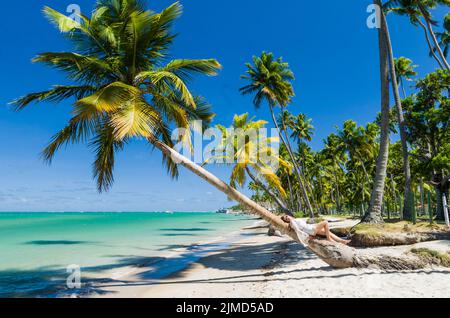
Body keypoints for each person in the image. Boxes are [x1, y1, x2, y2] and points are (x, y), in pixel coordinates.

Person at [281, 215, 351, 245]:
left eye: (287, 216)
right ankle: (329, 239)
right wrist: (306, 236)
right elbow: (298, 230)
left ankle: (343, 241)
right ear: (287, 221)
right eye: (286, 219)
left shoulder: (294, 220)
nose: (288, 218)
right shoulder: (292, 222)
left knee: (328, 232)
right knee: (325, 222)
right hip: (310, 229)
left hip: (311, 227)